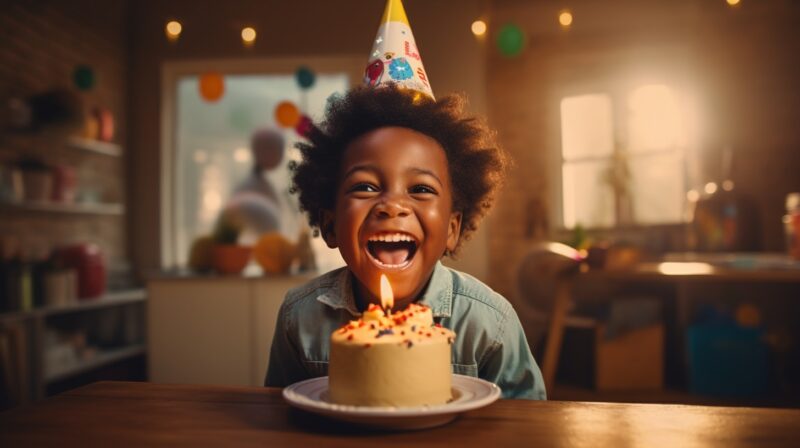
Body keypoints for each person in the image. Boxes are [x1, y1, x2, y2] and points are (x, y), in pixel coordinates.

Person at [264, 0, 545, 399]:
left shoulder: (489, 323)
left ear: (452, 227)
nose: (391, 206)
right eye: (365, 186)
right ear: (328, 224)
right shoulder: (300, 317)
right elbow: (280, 414)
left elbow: (529, 426)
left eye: (421, 189)